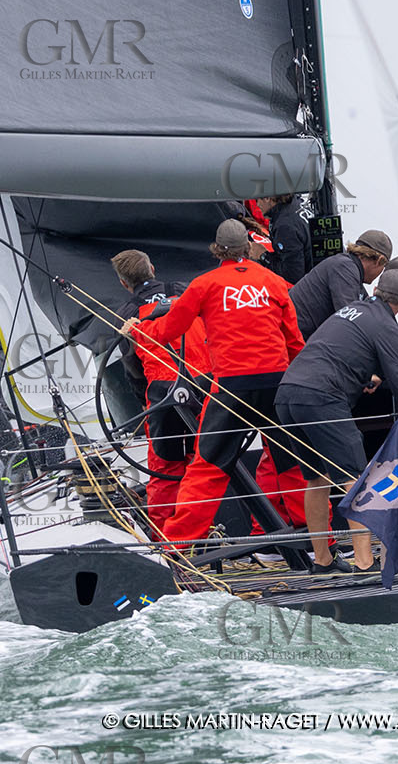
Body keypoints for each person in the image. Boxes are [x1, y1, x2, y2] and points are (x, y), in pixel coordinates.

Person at [122, 219, 304, 550]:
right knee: (291, 461)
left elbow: (168, 329)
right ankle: (315, 536)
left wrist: (137, 331)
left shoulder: (204, 284)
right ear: (248, 248)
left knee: (207, 468)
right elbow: (294, 340)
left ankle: (175, 544)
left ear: (216, 250)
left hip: (232, 387)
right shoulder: (275, 282)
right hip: (278, 382)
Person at [276, 270, 398, 575]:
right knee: (355, 477)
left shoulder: (349, 310)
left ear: (377, 291)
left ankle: (323, 560)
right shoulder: (386, 325)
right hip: (321, 397)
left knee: (316, 479)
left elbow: (356, 352)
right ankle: (365, 563)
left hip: (288, 393)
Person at [111, 249, 211, 533]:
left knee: (165, 468)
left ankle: (166, 540)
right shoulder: (182, 290)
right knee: (202, 462)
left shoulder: (126, 315)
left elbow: (131, 363)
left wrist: (143, 402)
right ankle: (203, 529)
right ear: (152, 269)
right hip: (204, 381)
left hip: (162, 391)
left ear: (123, 283)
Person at [289, 229, 393, 337]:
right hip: (291, 339)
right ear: (378, 260)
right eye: (383, 267)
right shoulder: (345, 268)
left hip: (297, 336)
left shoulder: (349, 268)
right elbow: (351, 322)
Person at [256, 193, 311, 284]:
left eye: (257, 200)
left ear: (267, 198)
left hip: (315, 287)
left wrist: (263, 255)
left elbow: (293, 276)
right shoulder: (295, 201)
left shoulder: (285, 226)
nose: (257, 205)